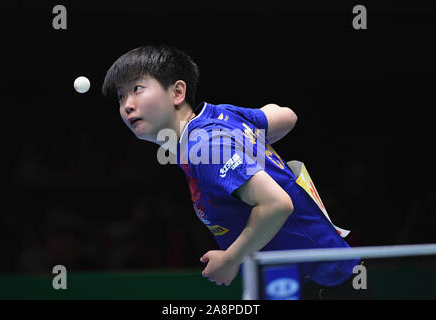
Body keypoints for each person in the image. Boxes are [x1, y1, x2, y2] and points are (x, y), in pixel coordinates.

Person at [101, 45, 362, 299]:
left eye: (137, 89)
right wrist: (246, 142)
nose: (127, 105)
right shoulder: (218, 117)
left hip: (324, 284)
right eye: (122, 96)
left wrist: (230, 259)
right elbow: (286, 116)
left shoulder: (207, 145)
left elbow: (276, 204)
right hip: (311, 276)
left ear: (177, 92)